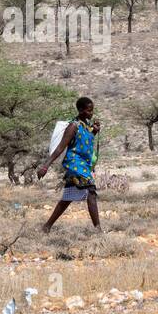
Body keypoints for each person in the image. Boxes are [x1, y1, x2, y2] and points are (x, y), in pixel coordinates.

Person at [37, 96, 101, 234]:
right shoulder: (73, 126)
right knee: (91, 192)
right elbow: (60, 147)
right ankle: (98, 230)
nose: (91, 113)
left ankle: (46, 227)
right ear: (81, 110)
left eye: (92, 110)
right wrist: (45, 166)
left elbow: (85, 143)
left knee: (68, 197)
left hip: (83, 164)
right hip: (74, 163)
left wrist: (94, 132)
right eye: (89, 110)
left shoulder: (87, 126)